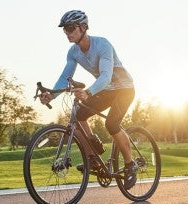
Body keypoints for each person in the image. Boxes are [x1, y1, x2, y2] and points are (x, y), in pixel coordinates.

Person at [39, 10, 138, 190]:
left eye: (71, 28)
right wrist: (51, 94)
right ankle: (93, 159)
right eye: (65, 30)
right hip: (107, 90)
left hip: (124, 89)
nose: (68, 33)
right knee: (79, 115)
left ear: (83, 27)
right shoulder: (73, 52)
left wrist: (89, 92)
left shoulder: (102, 45)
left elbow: (106, 76)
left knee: (111, 124)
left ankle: (131, 165)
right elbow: (65, 77)